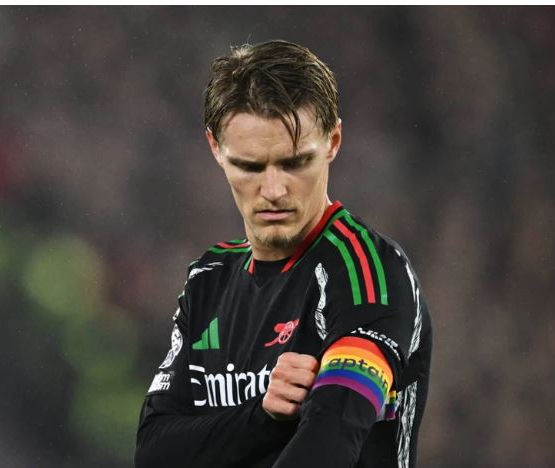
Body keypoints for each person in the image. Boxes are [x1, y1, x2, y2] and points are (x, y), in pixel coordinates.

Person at [134, 39, 432, 468]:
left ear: (333, 141)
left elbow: (333, 437)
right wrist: (262, 416)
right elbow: (155, 452)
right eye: (250, 166)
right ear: (216, 149)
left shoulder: (367, 271)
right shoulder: (209, 278)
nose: (273, 190)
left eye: (294, 163)